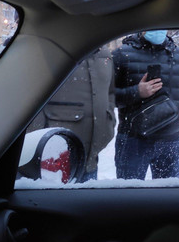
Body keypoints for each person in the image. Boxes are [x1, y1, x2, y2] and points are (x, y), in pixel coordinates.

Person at [113, 30, 179, 180]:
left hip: (171, 140)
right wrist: (137, 92)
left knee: (167, 198)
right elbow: (107, 96)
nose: (158, 29)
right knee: (128, 197)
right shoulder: (122, 54)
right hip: (132, 140)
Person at [27, 47, 116, 182]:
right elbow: (31, 98)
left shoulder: (105, 55)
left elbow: (110, 92)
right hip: (54, 159)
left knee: (85, 200)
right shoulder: (49, 52)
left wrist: (109, 120)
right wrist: (38, 140)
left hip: (91, 158)